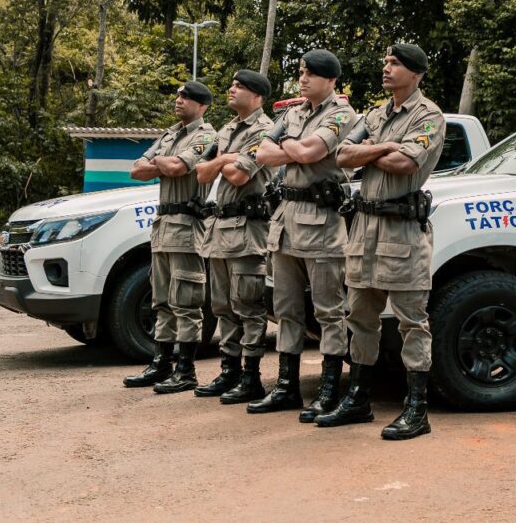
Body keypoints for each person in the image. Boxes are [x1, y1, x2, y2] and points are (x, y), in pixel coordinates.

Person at [315, 43, 446, 440]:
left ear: (416, 72)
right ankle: (358, 398)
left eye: (395, 63)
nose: (386, 68)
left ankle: (416, 409)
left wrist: (370, 152)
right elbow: (341, 154)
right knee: (360, 317)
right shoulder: (374, 115)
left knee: (411, 322)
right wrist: (385, 146)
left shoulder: (429, 116)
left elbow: (406, 163)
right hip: (364, 230)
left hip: (401, 231)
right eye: (386, 62)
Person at [249, 49, 356, 417]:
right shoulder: (292, 113)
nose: (303, 78)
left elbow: (312, 152)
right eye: (300, 71)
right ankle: (285, 388)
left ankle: (328, 390)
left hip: (322, 223)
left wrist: (288, 147)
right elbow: (261, 152)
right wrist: (294, 149)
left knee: (328, 310)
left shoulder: (341, 113)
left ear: (330, 80)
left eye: (311, 73)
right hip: (286, 220)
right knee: (286, 310)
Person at [123, 81, 216, 393]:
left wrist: (160, 163)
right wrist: (166, 164)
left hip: (187, 226)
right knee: (161, 299)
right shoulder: (170, 133)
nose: (179, 100)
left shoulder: (206, 135)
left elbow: (177, 166)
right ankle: (161, 364)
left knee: (186, 301)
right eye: (178, 95)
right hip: (163, 225)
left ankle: (186, 370)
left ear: (201, 105)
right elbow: (136, 170)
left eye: (186, 96)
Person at [192, 70, 275, 404]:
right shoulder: (226, 130)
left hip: (247, 229)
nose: (231, 88)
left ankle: (251, 377)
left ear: (256, 96)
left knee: (248, 306)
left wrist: (222, 160)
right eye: (233, 84)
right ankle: (229, 371)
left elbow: (240, 175)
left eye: (239, 86)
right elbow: (200, 172)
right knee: (223, 305)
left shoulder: (266, 130)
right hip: (220, 229)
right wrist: (227, 159)